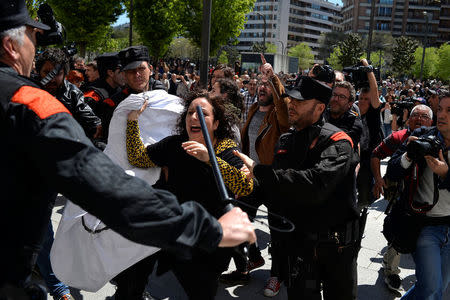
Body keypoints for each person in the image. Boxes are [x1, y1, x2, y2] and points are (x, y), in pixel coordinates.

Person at [0, 1, 256, 299]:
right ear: (10, 46)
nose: (37, 46)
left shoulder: (223, 146)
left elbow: (245, 184)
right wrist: (206, 229)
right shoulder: (29, 103)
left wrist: (212, 164)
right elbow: (106, 181)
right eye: (33, 37)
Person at [235, 76, 360, 300]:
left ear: (320, 107)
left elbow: (316, 183)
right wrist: (244, 185)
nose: (291, 105)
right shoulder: (285, 141)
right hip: (299, 245)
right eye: (290, 100)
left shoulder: (339, 142)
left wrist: (259, 170)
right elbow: (277, 188)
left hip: (336, 247)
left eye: (299, 101)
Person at [122, 91, 254, 299]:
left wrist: (208, 158)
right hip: (172, 231)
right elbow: (138, 158)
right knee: (133, 277)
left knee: (202, 291)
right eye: (190, 112)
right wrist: (132, 121)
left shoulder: (227, 150)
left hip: (208, 243)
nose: (194, 117)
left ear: (216, 123)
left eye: (202, 114)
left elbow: (244, 186)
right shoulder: (176, 144)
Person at [234, 56, 290, 297]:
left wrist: (273, 77)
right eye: (260, 84)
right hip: (252, 178)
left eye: (267, 85)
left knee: (278, 233)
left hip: (274, 179)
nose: (262, 87)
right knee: (239, 221)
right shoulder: (254, 109)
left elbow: (284, 109)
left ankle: (276, 276)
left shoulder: (280, 115)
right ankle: (254, 258)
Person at [386, 90, 450, 300]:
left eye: (449, 111)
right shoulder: (423, 136)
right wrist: (408, 154)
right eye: (439, 109)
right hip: (425, 225)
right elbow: (393, 171)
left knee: (434, 288)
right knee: (433, 290)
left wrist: (446, 173)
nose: (442, 115)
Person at [371, 105, 433, 293]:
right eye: (415, 116)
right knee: (397, 234)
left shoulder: (439, 139)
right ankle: (391, 271)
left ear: (431, 121)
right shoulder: (399, 137)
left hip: (429, 203)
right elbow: (376, 154)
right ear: (408, 119)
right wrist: (378, 179)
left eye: (424, 117)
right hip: (401, 197)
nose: (419, 120)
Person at [100, 45, 165, 141]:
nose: (137, 75)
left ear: (150, 70)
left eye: (141, 69)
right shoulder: (113, 105)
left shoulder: (163, 97)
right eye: (130, 71)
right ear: (124, 75)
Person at [35, 48, 102, 140]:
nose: (52, 79)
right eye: (47, 73)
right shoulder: (29, 88)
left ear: (64, 74)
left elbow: (84, 110)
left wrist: (96, 124)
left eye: (58, 74)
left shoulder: (73, 92)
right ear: (39, 72)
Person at [356, 59, 382, 210]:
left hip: (369, 158)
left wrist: (367, 68)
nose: (363, 102)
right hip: (354, 155)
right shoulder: (352, 111)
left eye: (367, 99)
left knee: (365, 193)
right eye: (361, 98)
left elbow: (374, 89)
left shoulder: (373, 113)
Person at [324, 80, 362, 148]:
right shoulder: (322, 115)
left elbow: (339, 144)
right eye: (334, 95)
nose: (336, 99)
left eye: (342, 97)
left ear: (350, 103)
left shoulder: (353, 122)